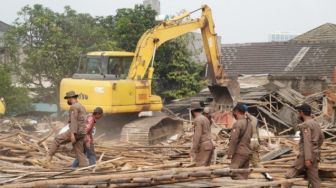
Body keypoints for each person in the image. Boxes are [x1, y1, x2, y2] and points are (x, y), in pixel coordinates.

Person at [282, 104, 324, 188]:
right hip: (315, 154)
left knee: (290, 174)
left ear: (302, 113)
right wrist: (316, 148)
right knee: (314, 179)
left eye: (299, 112)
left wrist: (307, 158)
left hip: (305, 155)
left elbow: (307, 142)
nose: (298, 114)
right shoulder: (315, 123)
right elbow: (321, 138)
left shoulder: (305, 125)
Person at [44, 91, 89, 167]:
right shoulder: (82, 106)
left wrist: (72, 134)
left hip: (76, 131)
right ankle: (85, 167)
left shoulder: (73, 107)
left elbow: (74, 121)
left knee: (57, 139)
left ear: (70, 98)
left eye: (67, 99)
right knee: (79, 151)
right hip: (82, 132)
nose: (67, 101)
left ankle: (47, 159)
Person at [227, 103, 253, 180]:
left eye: (234, 111)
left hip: (239, 153)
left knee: (233, 172)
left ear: (237, 111)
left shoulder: (238, 123)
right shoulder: (250, 123)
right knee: (244, 175)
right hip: (247, 152)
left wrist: (230, 153)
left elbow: (234, 140)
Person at [246, 112, 273, 181]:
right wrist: (259, 142)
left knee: (242, 159)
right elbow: (257, 132)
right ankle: (267, 175)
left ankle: (241, 176)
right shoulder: (255, 119)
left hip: (249, 143)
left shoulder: (245, 120)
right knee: (256, 162)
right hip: (255, 142)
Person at [190, 102, 214, 166]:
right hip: (209, 145)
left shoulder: (198, 120)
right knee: (207, 169)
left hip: (203, 147)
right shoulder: (205, 118)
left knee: (200, 169)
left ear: (192, 111)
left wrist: (193, 150)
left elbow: (197, 135)